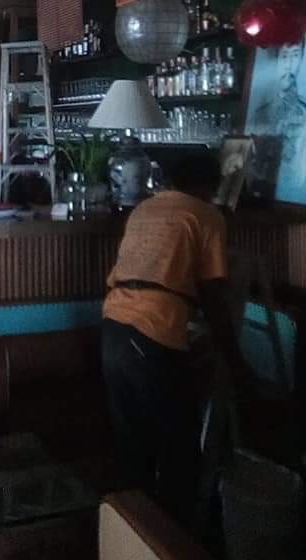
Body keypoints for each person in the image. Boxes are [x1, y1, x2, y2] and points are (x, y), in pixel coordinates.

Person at [101, 152, 251, 529]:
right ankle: (175, 538)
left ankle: (131, 538)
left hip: (113, 325)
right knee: (178, 447)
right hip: (154, 329)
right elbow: (212, 294)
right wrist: (236, 360)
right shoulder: (207, 216)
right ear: (211, 183)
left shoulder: (143, 209)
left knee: (131, 445)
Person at [250, 40, 306, 204]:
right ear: (276, 61)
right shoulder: (260, 114)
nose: (288, 65)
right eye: (284, 57)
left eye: (295, 56)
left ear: (301, 59)